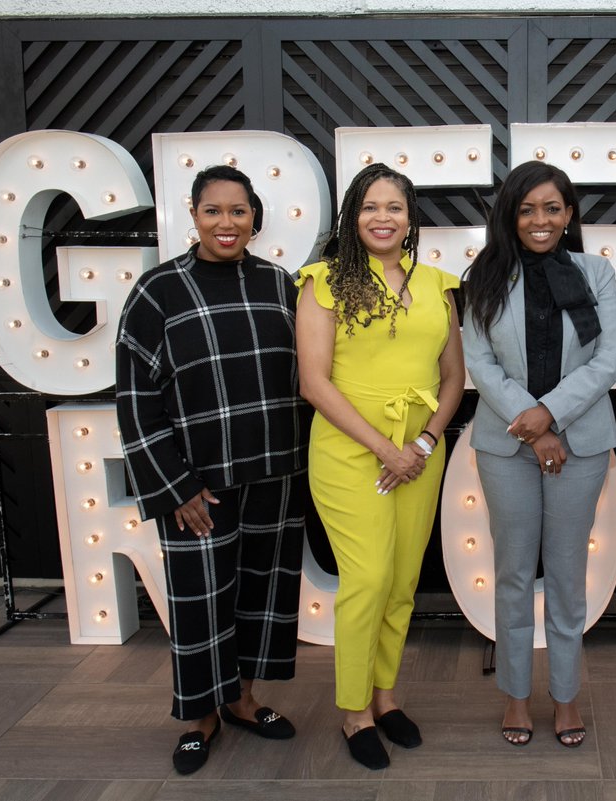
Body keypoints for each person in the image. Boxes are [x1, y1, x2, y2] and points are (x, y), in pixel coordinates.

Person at [116, 165, 308, 775]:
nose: (227, 223)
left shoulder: (280, 284)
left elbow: (307, 377)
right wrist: (174, 486)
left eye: (239, 211)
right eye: (213, 211)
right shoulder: (157, 291)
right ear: (193, 215)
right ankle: (199, 717)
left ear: (256, 218)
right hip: (198, 485)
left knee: (261, 594)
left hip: (275, 476)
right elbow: (135, 399)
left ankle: (245, 701)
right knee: (201, 600)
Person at [295, 163, 464, 770]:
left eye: (394, 207)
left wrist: (420, 443)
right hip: (349, 452)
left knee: (400, 582)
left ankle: (386, 699)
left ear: (410, 216)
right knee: (365, 579)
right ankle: (353, 712)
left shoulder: (441, 284)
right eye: (370, 207)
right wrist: (386, 448)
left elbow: (453, 378)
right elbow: (314, 382)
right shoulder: (322, 282)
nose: (383, 217)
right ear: (352, 217)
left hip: (421, 451)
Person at [463, 161, 616, 748]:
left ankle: (564, 696)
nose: (540, 219)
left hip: (579, 444)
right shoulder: (484, 273)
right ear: (510, 214)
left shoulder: (596, 271)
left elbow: (609, 359)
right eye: (527, 208)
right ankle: (514, 695)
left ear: (569, 214)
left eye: (552, 208)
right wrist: (535, 427)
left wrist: (550, 415)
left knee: (566, 576)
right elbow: (479, 364)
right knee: (511, 573)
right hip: (506, 446)